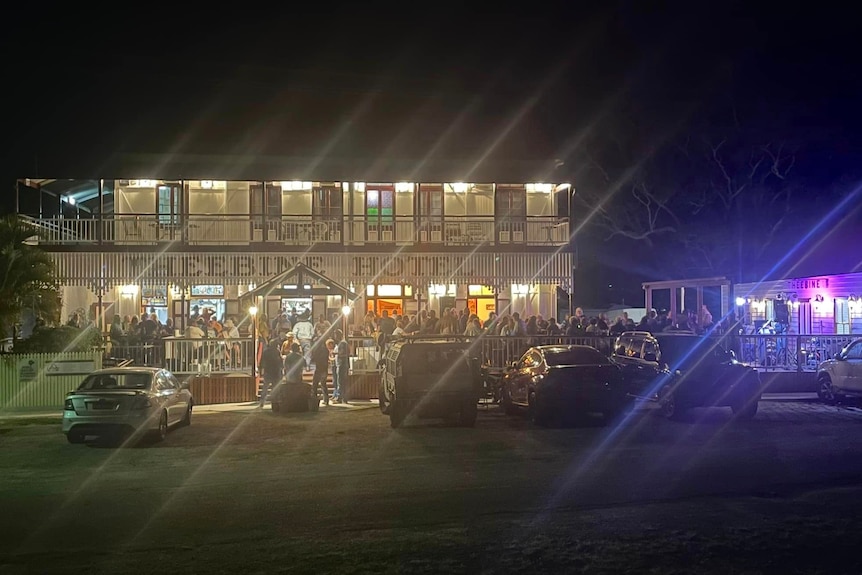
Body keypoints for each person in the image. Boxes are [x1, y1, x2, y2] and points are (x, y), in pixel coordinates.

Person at [258, 340, 283, 409]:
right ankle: (274, 402)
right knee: (274, 387)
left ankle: (262, 402)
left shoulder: (266, 351)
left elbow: (262, 361)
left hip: (268, 371)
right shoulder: (276, 352)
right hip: (275, 372)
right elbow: (280, 361)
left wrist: (260, 369)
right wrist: (281, 369)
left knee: (265, 387)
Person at [310, 335, 332, 406]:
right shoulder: (325, 349)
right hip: (324, 368)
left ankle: (314, 399)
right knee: (323, 384)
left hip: (319, 368)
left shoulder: (318, 349)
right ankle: (326, 399)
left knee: (315, 384)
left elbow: (314, 357)